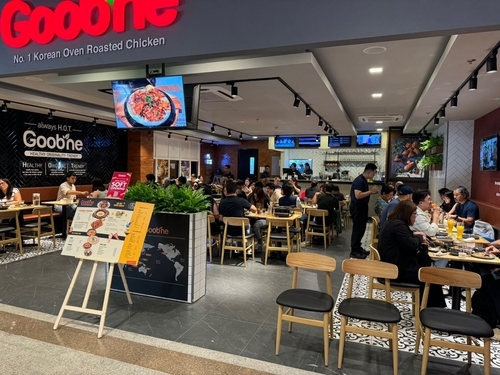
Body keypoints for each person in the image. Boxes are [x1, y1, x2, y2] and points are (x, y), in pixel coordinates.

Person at [378, 200, 446, 308]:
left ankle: (427, 308)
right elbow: (411, 244)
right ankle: (433, 312)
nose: (415, 217)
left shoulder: (393, 222)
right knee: (431, 277)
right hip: (395, 271)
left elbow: (405, 237)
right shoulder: (399, 225)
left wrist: (414, 234)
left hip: (391, 266)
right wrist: (419, 237)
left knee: (429, 273)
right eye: (415, 214)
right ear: (407, 214)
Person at [349, 163, 379, 259]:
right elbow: (358, 195)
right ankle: (354, 250)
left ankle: (358, 247)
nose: (374, 175)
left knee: (361, 228)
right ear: (369, 172)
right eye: (374, 173)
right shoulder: (359, 181)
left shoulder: (363, 180)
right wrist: (371, 191)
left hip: (362, 207)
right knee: (357, 229)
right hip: (357, 207)